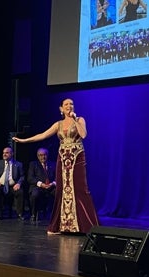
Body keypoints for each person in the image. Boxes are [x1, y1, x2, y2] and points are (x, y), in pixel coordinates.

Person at [12, 98, 99, 235]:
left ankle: (86, 225)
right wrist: (24, 140)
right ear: (61, 109)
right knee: (62, 190)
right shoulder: (58, 124)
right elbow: (43, 135)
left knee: (80, 189)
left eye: (71, 104)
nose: (69, 106)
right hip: (63, 158)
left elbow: (83, 134)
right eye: (66, 104)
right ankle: (61, 225)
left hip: (77, 157)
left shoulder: (80, 119)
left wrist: (75, 119)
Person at [0, 147, 25, 220]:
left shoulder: (18, 164)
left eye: (7, 153)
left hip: (13, 186)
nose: (4, 154)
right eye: (3, 153)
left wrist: (19, 183)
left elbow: (22, 176)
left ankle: (20, 213)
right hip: (0, 185)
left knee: (20, 192)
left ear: (12, 154)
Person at [27, 148, 56, 222]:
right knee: (35, 194)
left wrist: (52, 183)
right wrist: (41, 184)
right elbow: (30, 178)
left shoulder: (53, 164)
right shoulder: (33, 164)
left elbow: (58, 177)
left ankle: (56, 215)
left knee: (58, 193)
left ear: (47, 155)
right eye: (41, 155)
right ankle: (33, 214)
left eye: (45, 155)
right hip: (38, 186)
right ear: (37, 156)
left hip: (50, 186)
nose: (43, 157)